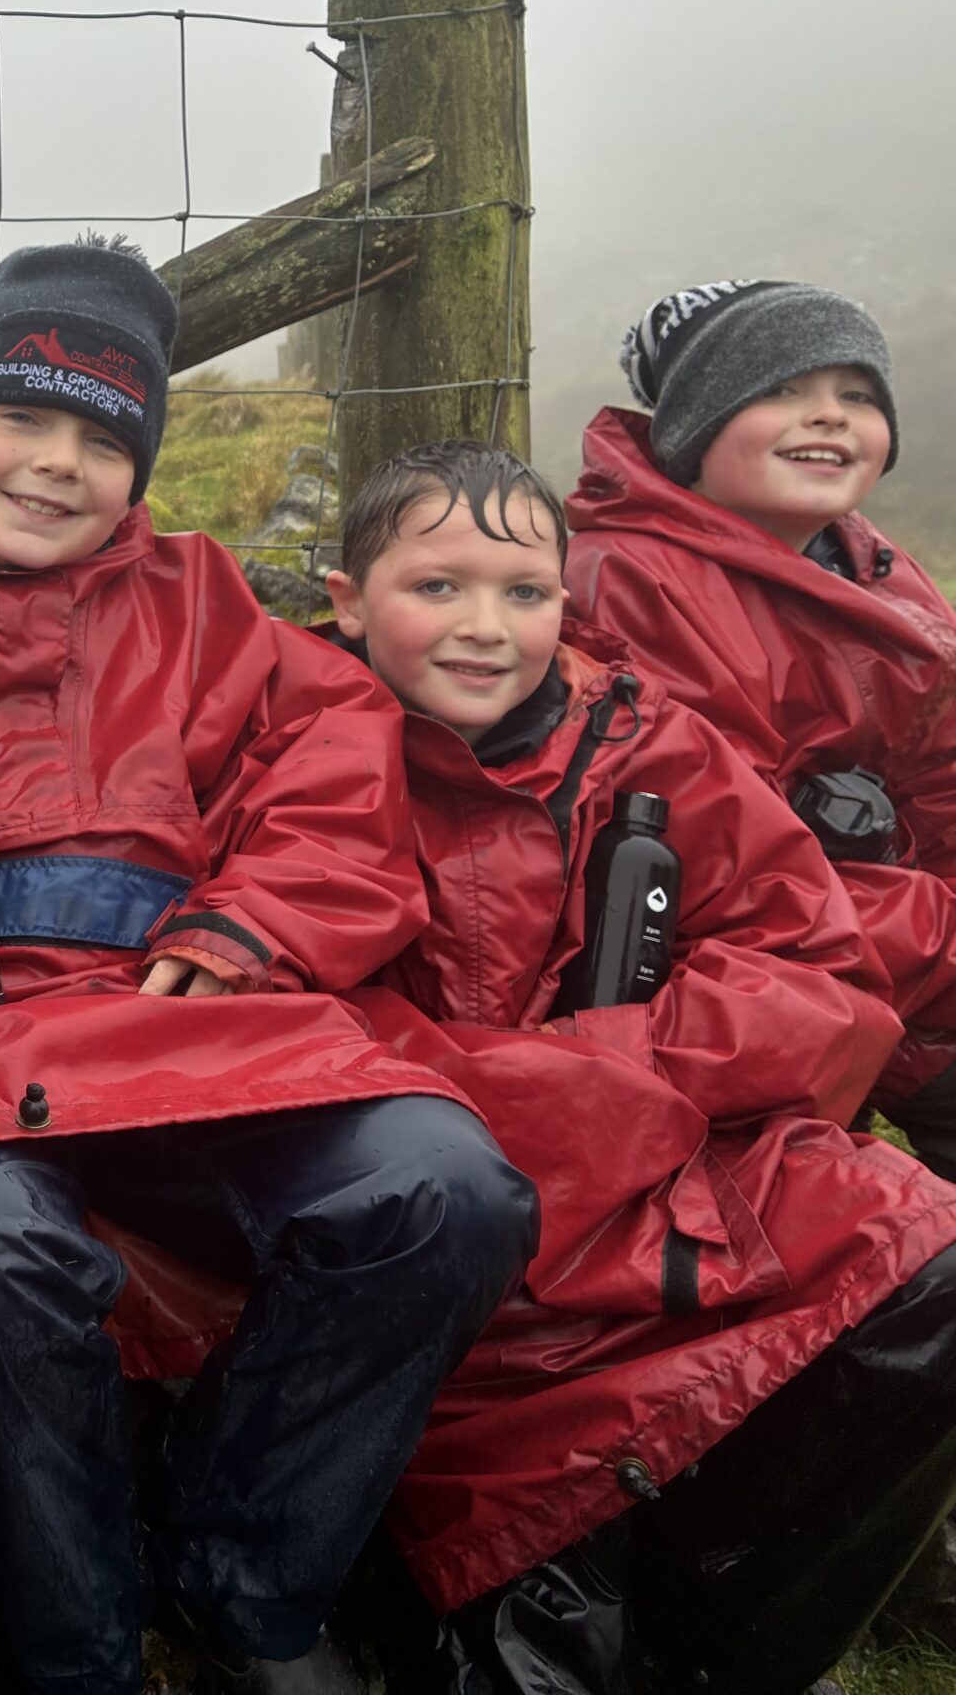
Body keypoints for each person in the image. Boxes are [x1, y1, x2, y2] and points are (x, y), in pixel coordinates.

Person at [0, 240, 536, 1695]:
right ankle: (82, 1644)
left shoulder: (201, 598)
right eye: (20, 417)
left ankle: (244, 1583)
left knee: (445, 1187)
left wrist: (249, 929)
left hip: (186, 1033)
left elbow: (334, 760)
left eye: (104, 441)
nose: (59, 464)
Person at [325, 439, 956, 1695]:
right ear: (346, 599)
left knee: (918, 1247)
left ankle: (709, 1638)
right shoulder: (290, 742)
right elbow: (271, 1014)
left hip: (652, 1179)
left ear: (565, 599)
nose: (484, 627)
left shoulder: (646, 741)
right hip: (420, 1220)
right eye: (437, 586)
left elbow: (813, 971)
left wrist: (611, 1070)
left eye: (523, 591)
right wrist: (551, 1096)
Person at [563, 280, 956, 1178]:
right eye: (779, 388)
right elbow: (734, 868)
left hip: (889, 947)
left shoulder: (872, 565)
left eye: (857, 395)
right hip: (759, 981)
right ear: (694, 426)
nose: (830, 415)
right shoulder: (637, 583)